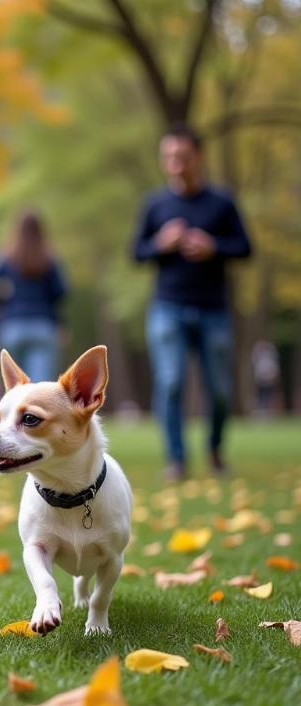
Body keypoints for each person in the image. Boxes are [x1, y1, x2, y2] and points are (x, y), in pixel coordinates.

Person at [132, 124, 251, 480]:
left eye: (182, 157)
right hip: (167, 307)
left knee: (219, 390)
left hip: (213, 308)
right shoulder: (154, 204)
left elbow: (245, 248)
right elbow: (137, 253)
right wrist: (161, 244)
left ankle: (214, 451)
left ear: (198, 157)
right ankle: (176, 459)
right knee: (170, 382)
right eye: (168, 158)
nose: (175, 165)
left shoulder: (222, 202)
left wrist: (214, 246)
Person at [0, 211, 67, 383]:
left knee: (15, 386)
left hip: (11, 326)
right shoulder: (49, 258)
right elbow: (61, 292)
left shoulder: (4, 257)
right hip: (44, 326)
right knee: (40, 385)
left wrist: (4, 295)